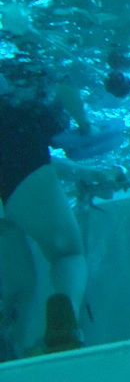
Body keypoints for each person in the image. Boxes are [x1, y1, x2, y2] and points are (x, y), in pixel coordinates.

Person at [0, 29, 90, 358]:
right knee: (67, 254)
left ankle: (10, 352)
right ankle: (64, 326)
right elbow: (65, 85)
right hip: (16, 145)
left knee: (19, 285)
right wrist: (85, 126)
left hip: (15, 161)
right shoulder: (33, 43)